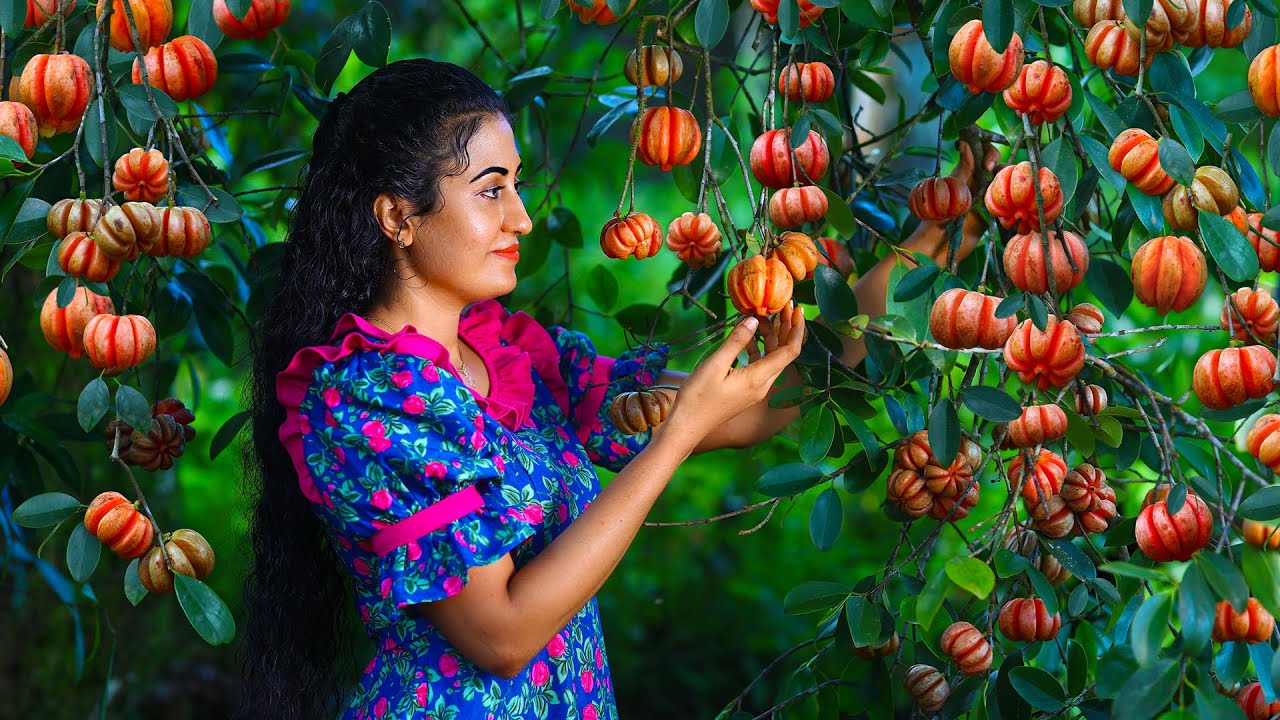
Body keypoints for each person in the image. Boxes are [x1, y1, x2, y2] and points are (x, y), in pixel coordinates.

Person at [236, 58, 991, 720]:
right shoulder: (366, 397)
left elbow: (767, 400)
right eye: (491, 191)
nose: (522, 218)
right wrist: (674, 438)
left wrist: (936, 239)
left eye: (517, 186)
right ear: (398, 216)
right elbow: (499, 635)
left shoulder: (514, 359)